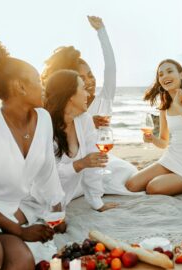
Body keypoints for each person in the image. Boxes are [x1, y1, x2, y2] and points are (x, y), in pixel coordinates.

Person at [0, 36, 65, 268]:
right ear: (20, 86)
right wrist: (18, 230)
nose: (43, 85)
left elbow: (47, 171)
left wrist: (57, 208)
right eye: (38, 80)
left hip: (6, 213)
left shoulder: (43, 119)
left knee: (23, 262)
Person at [41, 16, 137, 194]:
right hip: (75, 164)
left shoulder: (105, 98)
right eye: (82, 78)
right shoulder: (68, 109)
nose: (89, 81)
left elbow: (111, 67)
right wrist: (89, 123)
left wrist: (102, 31)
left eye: (90, 75)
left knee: (129, 173)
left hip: (100, 161)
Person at [125, 59, 182, 195]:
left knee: (153, 187)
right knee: (132, 184)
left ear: (181, 75)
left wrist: (178, 106)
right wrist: (152, 139)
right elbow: (164, 143)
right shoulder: (164, 108)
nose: (165, 76)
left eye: (170, 71)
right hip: (171, 158)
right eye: (161, 74)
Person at [44, 69, 117, 211]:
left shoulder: (84, 120)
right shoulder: (45, 125)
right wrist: (79, 164)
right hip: (38, 198)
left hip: (64, 199)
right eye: (83, 88)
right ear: (70, 95)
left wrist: (97, 202)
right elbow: (45, 175)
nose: (88, 94)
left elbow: (93, 166)